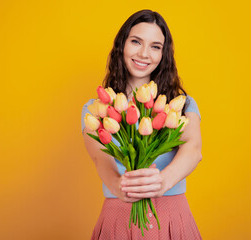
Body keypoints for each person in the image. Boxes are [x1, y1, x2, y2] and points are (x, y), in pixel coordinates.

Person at [81, 9, 203, 239]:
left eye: (155, 46)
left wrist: (162, 182)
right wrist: (119, 186)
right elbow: (101, 159)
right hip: (118, 216)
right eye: (136, 42)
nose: (144, 53)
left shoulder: (181, 104)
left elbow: (193, 149)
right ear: (122, 45)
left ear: (163, 54)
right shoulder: (96, 110)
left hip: (171, 215)